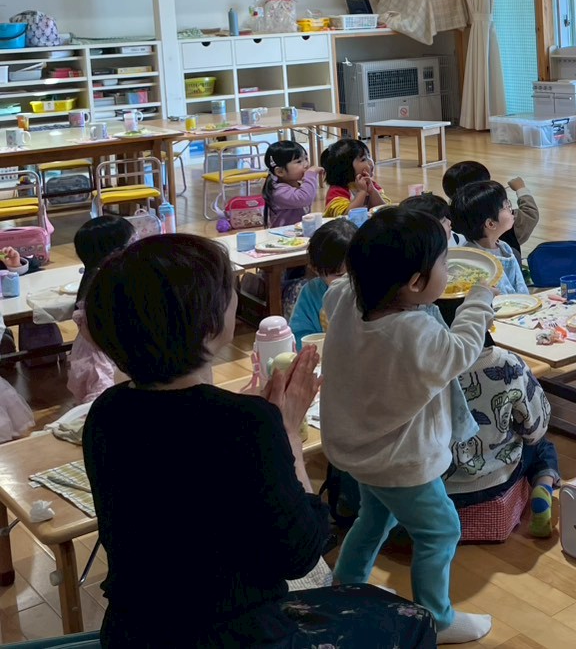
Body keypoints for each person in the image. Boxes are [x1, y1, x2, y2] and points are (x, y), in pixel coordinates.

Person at [83, 234, 437, 648]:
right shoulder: (245, 422)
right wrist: (287, 433)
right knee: (412, 619)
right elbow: (302, 553)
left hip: (132, 633)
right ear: (208, 322)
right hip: (235, 636)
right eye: (228, 290)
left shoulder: (106, 412)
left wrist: (259, 421)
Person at [320, 209, 497, 644]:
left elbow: (338, 291)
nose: (448, 270)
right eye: (444, 264)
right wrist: (478, 299)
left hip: (359, 450)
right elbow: (462, 349)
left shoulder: (346, 299)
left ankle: (344, 590)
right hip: (400, 460)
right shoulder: (413, 333)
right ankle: (436, 619)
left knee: (373, 518)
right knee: (440, 530)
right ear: (416, 283)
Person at [446, 332, 559, 540]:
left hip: (441, 486)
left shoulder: (423, 367)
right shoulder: (507, 362)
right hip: (498, 480)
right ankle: (543, 485)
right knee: (542, 446)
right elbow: (537, 425)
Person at [68, 214, 135, 404]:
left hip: (100, 348)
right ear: (114, 252)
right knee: (101, 396)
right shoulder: (103, 284)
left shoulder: (97, 275)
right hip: (100, 353)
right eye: (131, 243)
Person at [443, 160, 537, 261]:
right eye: (506, 205)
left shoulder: (448, 218)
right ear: (490, 224)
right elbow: (530, 214)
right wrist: (521, 189)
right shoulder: (503, 220)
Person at [449, 181, 530, 294]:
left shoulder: (503, 247)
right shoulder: (474, 262)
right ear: (491, 224)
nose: (511, 210)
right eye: (506, 206)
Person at [260, 139, 319, 229]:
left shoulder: (296, 185)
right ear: (280, 172)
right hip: (282, 235)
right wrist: (310, 174)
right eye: (299, 161)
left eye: (306, 159)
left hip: (296, 233)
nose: (306, 165)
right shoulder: (278, 192)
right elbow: (304, 198)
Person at [321, 138, 386, 217]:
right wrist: (362, 192)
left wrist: (372, 191)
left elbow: (384, 210)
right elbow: (346, 217)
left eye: (369, 156)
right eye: (363, 159)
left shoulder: (371, 185)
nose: (370, 162)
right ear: (346, 167)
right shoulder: (337, 191)